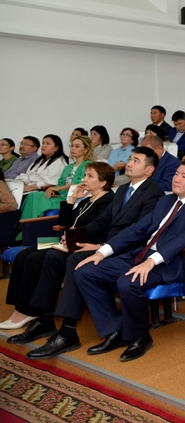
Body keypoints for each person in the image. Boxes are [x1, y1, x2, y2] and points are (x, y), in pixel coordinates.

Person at [22, 147, 164, 359]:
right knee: (52, 255)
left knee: (74, 260)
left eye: (136, 160)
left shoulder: (154, 194)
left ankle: (68, 332)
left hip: (126, 250)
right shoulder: (123, 190)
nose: (129, 163)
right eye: (130, 158)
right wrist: (74, 238)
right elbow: (102, 222)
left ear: (149, 169)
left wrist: (101, 247)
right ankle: (45, 318)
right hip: (107, 246)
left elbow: (140, 232)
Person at [73, 160, 185, 362]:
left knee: (128, 283)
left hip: (171, 262)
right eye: (176, 173)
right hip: (141, 255)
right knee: (86, 272)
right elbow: (138, 228)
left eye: (184, 176)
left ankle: (140, 337)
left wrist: (152, 261)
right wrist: (102, 252)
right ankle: (115, 330)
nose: (176, 178)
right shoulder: (166, 200)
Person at [3, 163, 115, 337]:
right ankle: (19, 307)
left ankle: (27, 311)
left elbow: (99, 229)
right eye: (85, 175)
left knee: (34, 259)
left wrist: (71, 237)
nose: (84, 179)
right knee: (24, 254)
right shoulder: (87, 200)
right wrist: (71, 200)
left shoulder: (108, 201)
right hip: (65, 240)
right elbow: (65, 222)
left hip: (82, 244)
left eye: (90, 176)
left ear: (103, 182)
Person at [20, 136, 93, 220]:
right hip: (62, 196)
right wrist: (53, 190)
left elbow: (79, 183)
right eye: (72, 146)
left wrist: (57, 188)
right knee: (33, 196)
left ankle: (30, 224)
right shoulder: (69, 167)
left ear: (86, 149)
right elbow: (60, 183)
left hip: (76, 198)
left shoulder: (88, 165)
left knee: (36, 197)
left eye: (77, 146)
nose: (73, 148)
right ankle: (26, 225)